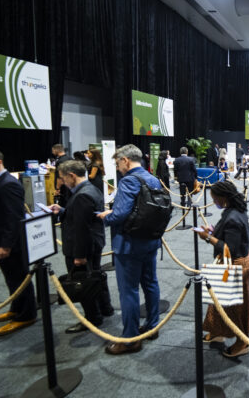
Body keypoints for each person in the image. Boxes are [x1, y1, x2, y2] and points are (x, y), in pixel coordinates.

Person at [98, 145, 162, 355]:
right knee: (150, 283)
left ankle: (130, 339)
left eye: (117, 163)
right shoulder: (152, 178)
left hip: (129, 245)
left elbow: (119, 214)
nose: (118, 168)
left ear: (125, 160)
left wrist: (106, 216)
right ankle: (152, 326)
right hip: (150, 241)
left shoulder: (128, 181)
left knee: (129, 291)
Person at [49, 160, 114, 333]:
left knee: (84, 282)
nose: (62, 182)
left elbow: (82, 228)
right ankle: (105, 308)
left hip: (83, 246)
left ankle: (93, 318)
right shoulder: (91, 189)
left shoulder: (81, 195)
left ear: (71, 176)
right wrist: (63, 211)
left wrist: (79, 255)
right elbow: (84, 217)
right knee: (96, 276)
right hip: (94, 242)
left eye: (63, 178)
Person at [0, 148, 37, 337]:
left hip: (11, 245)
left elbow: (14, 218)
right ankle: (17, 308)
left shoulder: (8, 184)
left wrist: (6, 245)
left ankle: (26, 315)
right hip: (0, 242)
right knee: (12, 278)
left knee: (19, 278)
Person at [193, 181, 249, 358]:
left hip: (236, 264)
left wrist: (207, 237)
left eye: (215, 198)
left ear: (223, 197)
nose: (213, 202)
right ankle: (217, 331)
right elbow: (229, 236)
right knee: (218, 299)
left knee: (237, 307)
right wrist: (213, 231)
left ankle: (243, 343)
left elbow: (229, 248)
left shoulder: (233, 216)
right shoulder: (235, 210)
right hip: (234, 261)